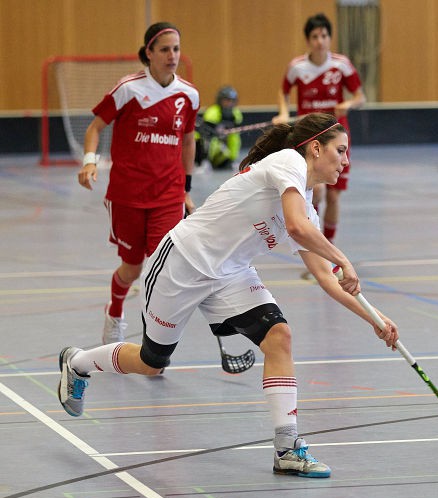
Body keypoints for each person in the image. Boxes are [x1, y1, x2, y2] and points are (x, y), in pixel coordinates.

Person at [58, 112, 400, 478]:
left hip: (230, 274)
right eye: (341, 151)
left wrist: (375, 319)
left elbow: (325, 277)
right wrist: (343, 258)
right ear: (315, 148)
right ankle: (77, 363)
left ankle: (287, 448)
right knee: (151, 361)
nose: (346, 161)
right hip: (183, 262)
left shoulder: (309, 207)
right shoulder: (288, 162)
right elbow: (297, 229)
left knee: (279, 336)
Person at [78, 22, 199, 345]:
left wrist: (185, 188)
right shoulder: (128, 89)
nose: (172, 56)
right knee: (131, 270)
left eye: (176, 49)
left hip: (168, 194)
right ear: (149, 53)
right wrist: (90, 162)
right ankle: (115, 312)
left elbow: (188, 142)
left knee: (162, 270)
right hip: (127, 195)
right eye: (164, 50)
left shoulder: (188, 95)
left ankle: (155, 338)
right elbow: (95, 127)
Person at [273, 13, 366, 244]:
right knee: (315, 192)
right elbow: (283, 91)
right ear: (308, 40)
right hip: (310, 136)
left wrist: (349, 103)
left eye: (324, 35)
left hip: (337, 136)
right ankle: (313, 244)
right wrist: (284, 112)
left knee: (333, 195)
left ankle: (328, 247)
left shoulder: (341, 65)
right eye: (315, 36)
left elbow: (360, 96)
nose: (320, 41)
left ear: (329, 38)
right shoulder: (297, 67)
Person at [195, 85, 243, 170]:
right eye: (226, 100)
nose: (229, 103)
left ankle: (232, 160)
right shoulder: (212, 112)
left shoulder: (236, 114)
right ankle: (204, 162)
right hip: (203, 145)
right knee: (207, 138)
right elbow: (205, 133)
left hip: (221, 144)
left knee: (235, 136)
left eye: (232, 101)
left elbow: (234, 136)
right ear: (220, 100)